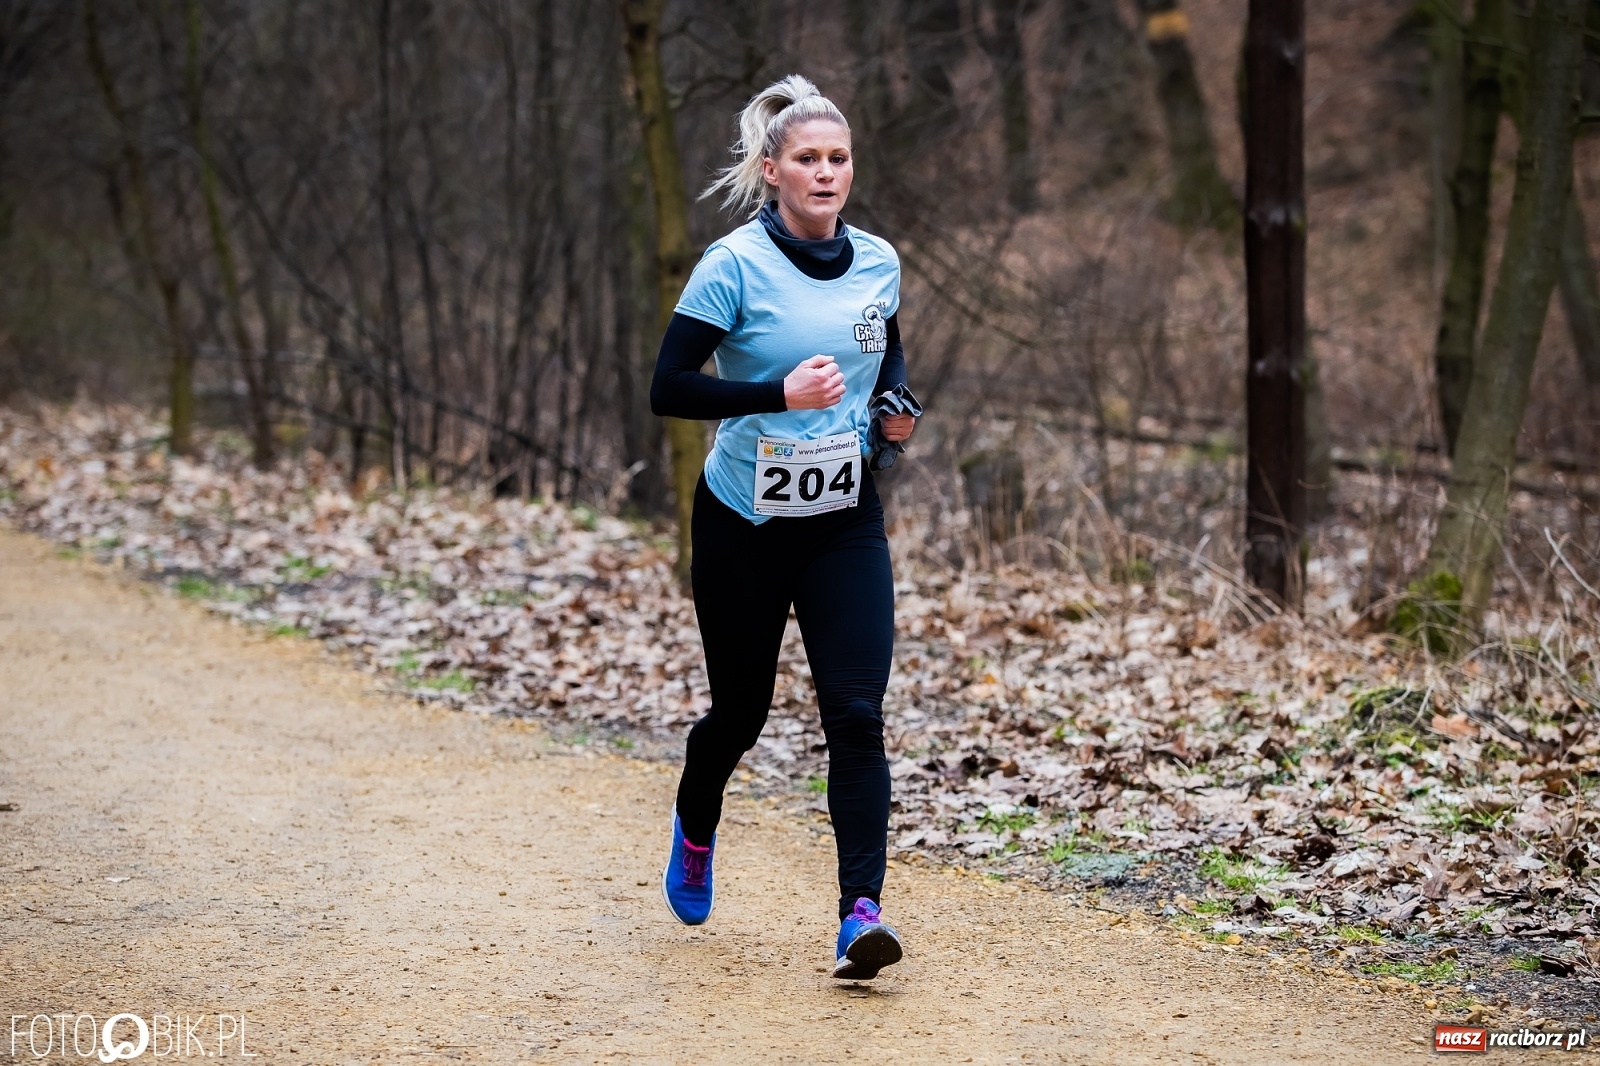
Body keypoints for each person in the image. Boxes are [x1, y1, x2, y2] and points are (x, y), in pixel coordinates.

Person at [649, 74, 916, 981]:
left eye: (839, 158)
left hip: (844, 522)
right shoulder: (732, 265)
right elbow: (669, 387)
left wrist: (894, 418)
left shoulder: (879, 261)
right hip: (742, 524)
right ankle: (696, 824)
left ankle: (859, 918)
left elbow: (884, 357)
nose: (826, 171)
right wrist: (776, 393)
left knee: (856, 714)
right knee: (741, 715)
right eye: (808, 158)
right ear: (773, 170)